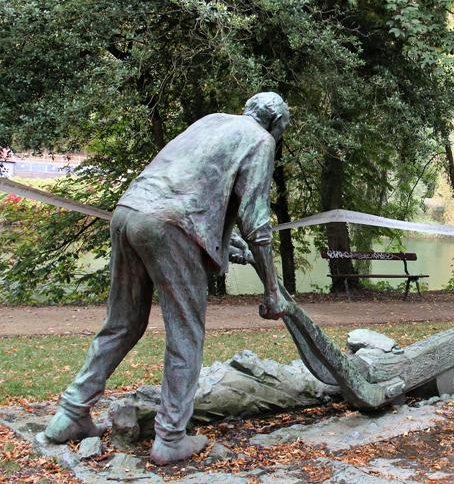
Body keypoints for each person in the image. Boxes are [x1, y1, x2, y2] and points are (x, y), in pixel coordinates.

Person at [43, 92, 290, 465]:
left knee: (122, 323)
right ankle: (171, 436)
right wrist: (273, 292)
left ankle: (71, 412)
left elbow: (198, 188)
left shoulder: (212, 122)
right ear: (275, 123)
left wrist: (224, 242)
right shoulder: (261, 139)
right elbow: (257, 223)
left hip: (130, 212)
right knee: (186, 332)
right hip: (168, 225)